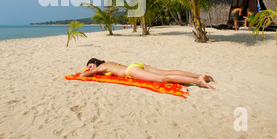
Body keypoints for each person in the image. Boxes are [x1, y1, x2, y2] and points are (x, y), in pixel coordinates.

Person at [80, 58, 215, 89]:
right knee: (167, 72)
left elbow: (82, 76)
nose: (90, 69)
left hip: (131, 71)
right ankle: (198, 75)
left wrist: (89, 71)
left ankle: (198, 81)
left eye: (90, 66)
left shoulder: (100, 67)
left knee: (163, 78)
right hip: (137, 65)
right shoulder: (108, 62)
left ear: (95, 62)